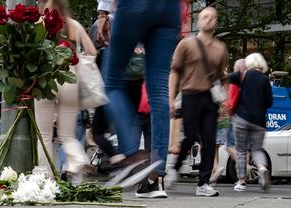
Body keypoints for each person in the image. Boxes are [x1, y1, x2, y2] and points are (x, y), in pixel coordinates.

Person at [101, 0, 180, 195]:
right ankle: (156, 175)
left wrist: (103, 13)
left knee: (111, 83)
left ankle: (133, 156)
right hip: (170, 9)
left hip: (135, 6)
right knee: (159, 89)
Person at [166, 7, 228, 197]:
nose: (208, 20)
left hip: (210, 99)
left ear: (216, 22)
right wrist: (170, 98)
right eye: (205, 17)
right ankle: (175, 168)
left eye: (212, 17)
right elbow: (175, 71)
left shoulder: (221, 48)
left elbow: (221, 77)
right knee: (190, 136)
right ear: (199, 21)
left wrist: (224, 100)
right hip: (190, 95)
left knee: (210, 140)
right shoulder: (186, 44)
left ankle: (203, 183)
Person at [35, 0, 97, 182]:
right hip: (70, 78)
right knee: (67, 135)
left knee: (44, 135)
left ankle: (46, 180)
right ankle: (78, 162)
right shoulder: (73, 25)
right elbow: (92, 51)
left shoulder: (40, 23)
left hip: (46, 79)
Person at [231, 53, 272, 192]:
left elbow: (226, 79)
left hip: (241, 118)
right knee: (257, 149)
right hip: (259, 121)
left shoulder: (242, 75)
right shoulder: (265, 80)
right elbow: (269, 102)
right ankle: (262, 168)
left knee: (241, 150)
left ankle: (241, 181)